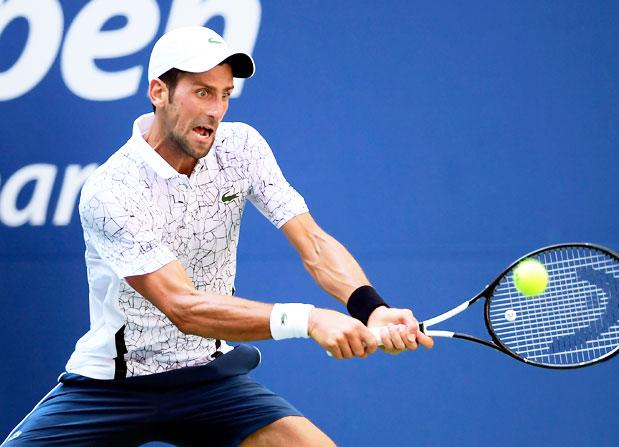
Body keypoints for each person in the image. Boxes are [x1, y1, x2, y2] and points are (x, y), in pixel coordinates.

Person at [2, 26, 433, 447]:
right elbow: (183, 307)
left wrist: (370, 308)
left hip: (208, 381)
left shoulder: (241, 148)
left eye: (225, 94)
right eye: (202, 92)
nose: (216, 109)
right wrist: (309, 319)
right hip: (112, 388)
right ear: (158, 92)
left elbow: (313, 243)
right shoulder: (112, 188)